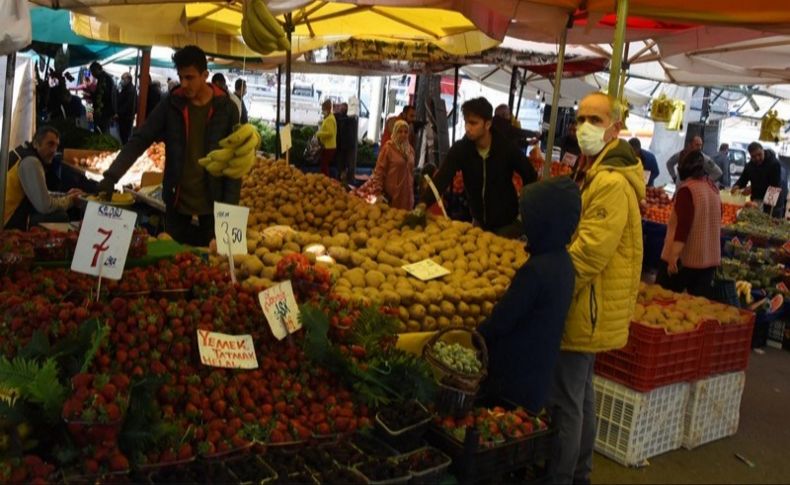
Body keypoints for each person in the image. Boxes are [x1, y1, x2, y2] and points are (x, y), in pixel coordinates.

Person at [548, 92, 644, 485]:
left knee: (567, 403)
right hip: (594, 303)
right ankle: (580, 475)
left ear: (616, 129)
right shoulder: (601, 172)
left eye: (596, 120)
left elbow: (590, 253)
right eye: (581, 119)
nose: (585, 127)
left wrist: (553, 287)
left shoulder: (609, 182)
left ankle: (561, 477)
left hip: (587, 302)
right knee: (581, 395)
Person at [97, 45, 240, 246]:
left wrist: (231, 210)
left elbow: (236, 162)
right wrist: (111, 176)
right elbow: (141, 138)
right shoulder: (172, 103)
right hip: (177, 200)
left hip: (214, 205)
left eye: (190, 77)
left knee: (216, 267)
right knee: (172, 261)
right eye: (181, 77)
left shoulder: (227, 109)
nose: (184, 83)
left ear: (205, 75)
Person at [478, 176, 581, 414]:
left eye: (529, 216)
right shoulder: (564, 263)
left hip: (513, 377)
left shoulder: (536, 271)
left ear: (544, 222)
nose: (523, 222)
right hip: (538, 374)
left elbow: (504, 318)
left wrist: (478, 334)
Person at [415, 97, 538, 238]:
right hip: (478, 222)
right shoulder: (461, 149)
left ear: (487, 124)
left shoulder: (506, 147)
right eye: (466, 122)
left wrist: (523, 215)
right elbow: (442, 177)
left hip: (507, 224)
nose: (468, 127)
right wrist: (423, 203)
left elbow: (530, 175)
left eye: (473, 123)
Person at [657, 150, 721, 298]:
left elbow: (683, 226)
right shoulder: (713, 188)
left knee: (664, 301)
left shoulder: (687, 190)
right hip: (709, 261)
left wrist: (674, 256)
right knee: (695, 309)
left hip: (686, 261)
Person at [4, 126, 83, 230]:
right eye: (50, 144)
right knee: (60, 216)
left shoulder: (22, 152)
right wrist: (71, 200)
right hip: (6, 221)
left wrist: (66, 195)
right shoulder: (31, 162)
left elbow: (39, 194)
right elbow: (45, 206)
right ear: (36, 143)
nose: (54, 150)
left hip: (7, 214)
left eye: (56, 146)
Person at [361, 120, 415, 210]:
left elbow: (411, 172)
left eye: (406, 132)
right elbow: (379, 171)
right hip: (392, 195)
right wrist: (378, 192)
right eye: (400, 131)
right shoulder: (388, 148)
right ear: (394, 132)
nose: (403, 134)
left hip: (407, 196)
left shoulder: (410, 150)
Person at [732, 141, 785, 217]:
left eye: (759, 154)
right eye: (753, 156)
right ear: (750, 156)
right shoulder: (749, 165)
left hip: (773, 205)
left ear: (763, 150)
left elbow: (774, 186)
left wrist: (752, 188)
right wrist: (737, 185)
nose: (757, 158)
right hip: (756, 202)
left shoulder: (774, 164)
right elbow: (743, 179)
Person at [88, 62, 117, 134]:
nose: (93, 74)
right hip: (104, 111)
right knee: (101, 130)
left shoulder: (105, 79)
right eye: (91, 72)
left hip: (105, 112)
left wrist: (93, 95)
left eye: (93, 71)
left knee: (103, 131)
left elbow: (104, 96)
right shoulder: (103, 78)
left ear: (99, 69)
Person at [315, 99, 337, 177]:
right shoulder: (328, 117)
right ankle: (324, 179)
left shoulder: (330, 119)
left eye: (323, 109)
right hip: (327, 146)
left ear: (327, 109)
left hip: (329, 147)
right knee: (323, 164)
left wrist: (319, 134)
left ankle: (326, 180)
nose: (322, 111)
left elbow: (330, 133)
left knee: (324, 165)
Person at [117, 72, 137, 144]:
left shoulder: (131, 90)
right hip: (123, 116)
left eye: (123, 78)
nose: (121, 80)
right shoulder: (125, 88)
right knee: (123, 135)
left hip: (126, 117)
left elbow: (128, 105)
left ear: (129, 79)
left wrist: (118, 112)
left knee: (124, 136)